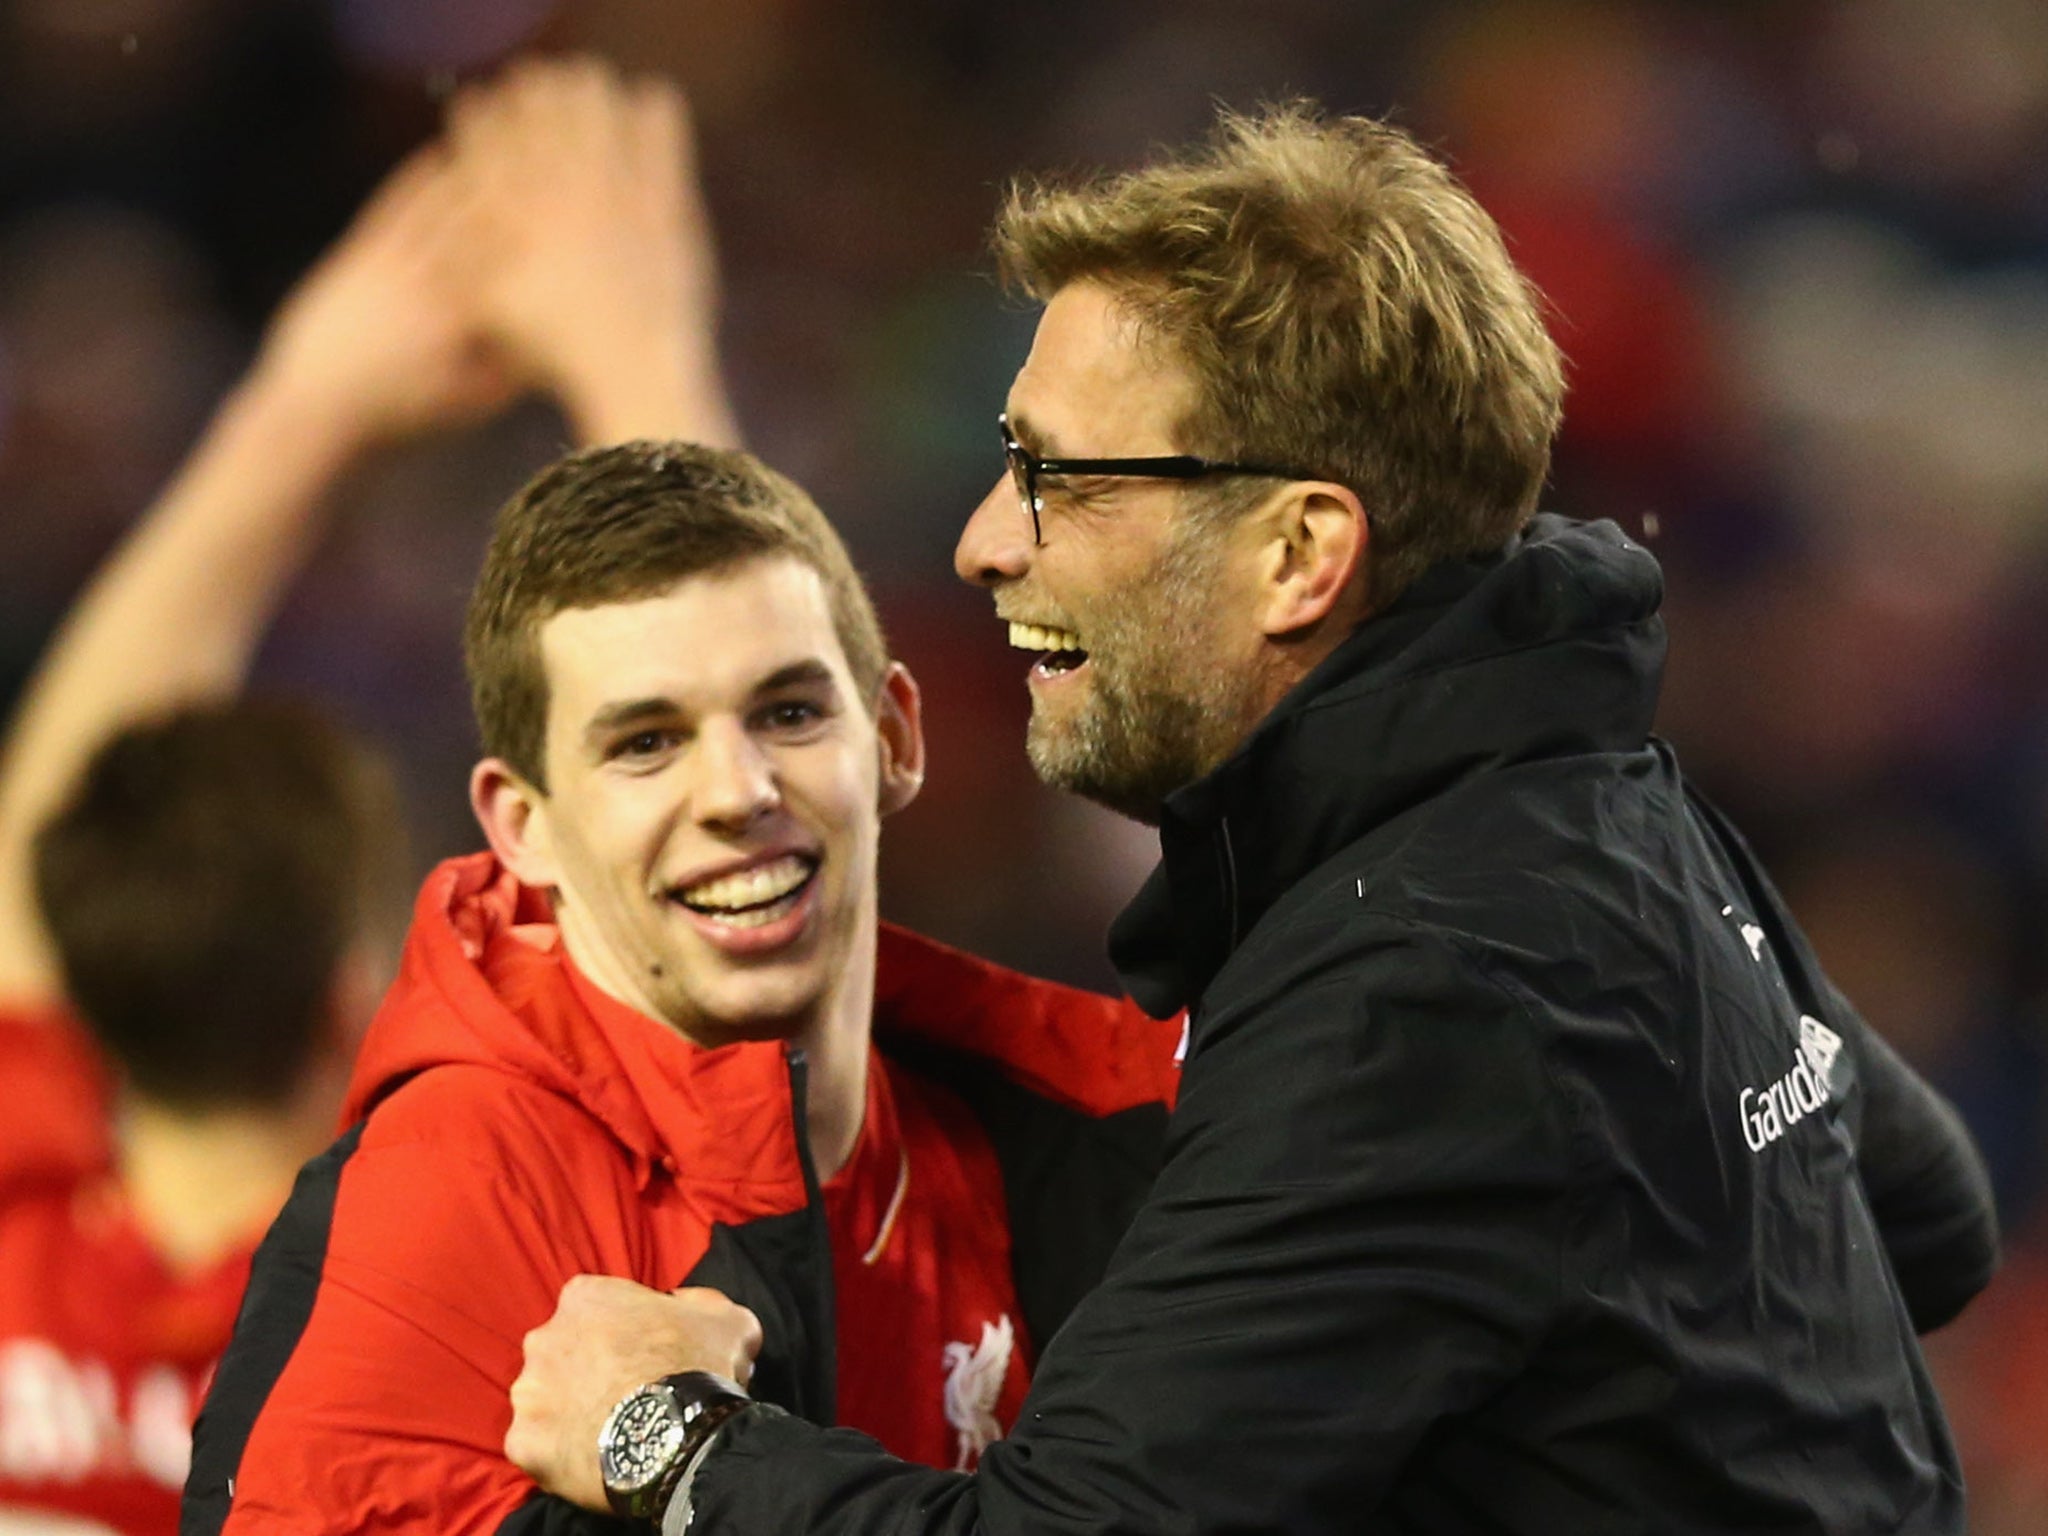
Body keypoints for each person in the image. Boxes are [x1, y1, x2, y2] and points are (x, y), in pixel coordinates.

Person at [499, 103, 2002, 1535]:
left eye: (1057, 480)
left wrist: (665, 1439)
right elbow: (1926, 1216)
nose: (980, 543)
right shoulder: (1596, 809)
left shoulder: (1418, 982)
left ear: (1298, 552)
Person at [181, 61, 1180, 1536]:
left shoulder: (1061, 1135)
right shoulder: (462, 1195)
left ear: (895, 735)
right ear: (521, 827)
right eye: (642, 744)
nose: (737, 789)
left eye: (788, 712)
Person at [0, 142, 496, 1534]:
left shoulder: (15, 1218)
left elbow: (42, 835)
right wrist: (638, 339)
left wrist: (298, 405)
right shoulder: (415, 1334)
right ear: (359, 994)